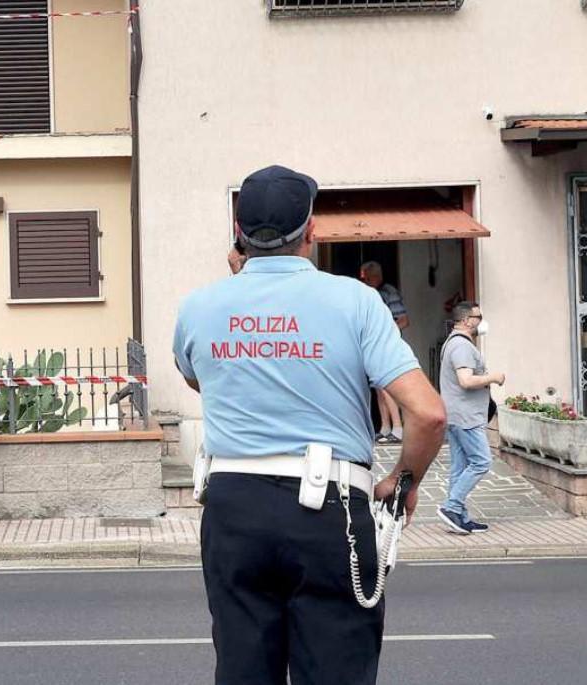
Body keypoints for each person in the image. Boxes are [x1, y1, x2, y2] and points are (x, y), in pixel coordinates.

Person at [174, 165, 446, 684]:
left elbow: (199, 380)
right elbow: (429, 413)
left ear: (238, 232)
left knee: (243, 671)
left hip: (233, 509)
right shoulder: (357, 301)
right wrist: (402, 480)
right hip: (329, 510)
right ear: (312, 231)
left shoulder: (198, 307)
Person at [437, 301, 504, 534]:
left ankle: (459, 517)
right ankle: (452, 506)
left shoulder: (454, 343)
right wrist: (494, 377)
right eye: (478, 317)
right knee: (481, 461)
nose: (481, 321)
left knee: (460, 466)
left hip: (457, 414)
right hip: (466, 417)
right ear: (466, 320)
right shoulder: (461, 346)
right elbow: (465, 381)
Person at [359, 261, 410, 444]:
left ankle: (398, 429)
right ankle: (385, 428)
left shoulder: (389, 293)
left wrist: (385, 332)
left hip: (386, 345)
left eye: (366, 278)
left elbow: (404, 320)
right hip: (372, 344)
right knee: (378, 387)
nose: (364, 281)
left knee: (386, 385)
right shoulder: (368, 294)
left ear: (375, 276)